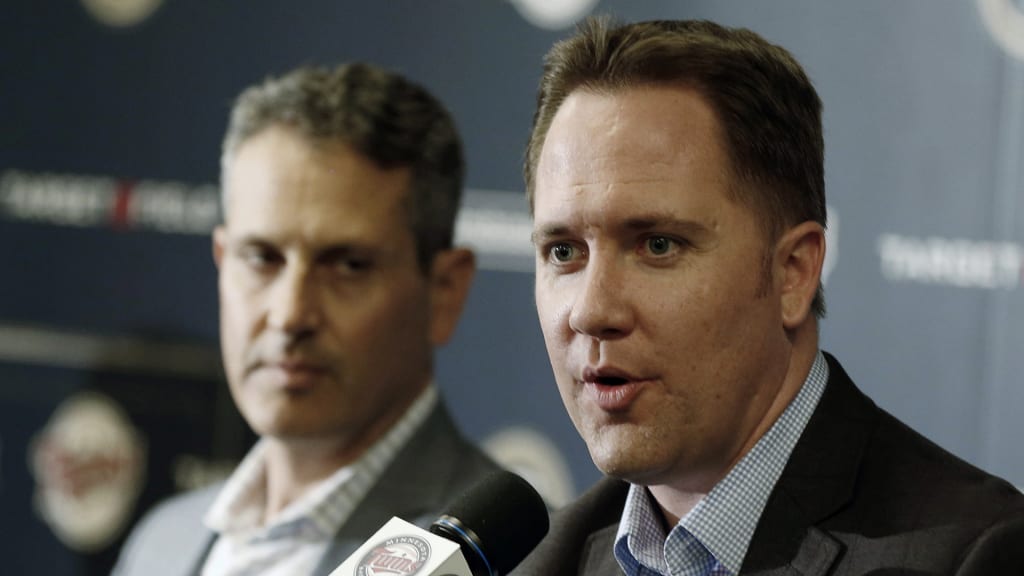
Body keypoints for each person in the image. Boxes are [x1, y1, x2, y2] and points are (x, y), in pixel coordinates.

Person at [514, 17, 1024, 575]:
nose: (592, 310)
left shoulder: (976, 557)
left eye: (657, 245)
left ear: (793, 273)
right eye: (563, 252)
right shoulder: (546, 559)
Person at [112, 62, 500, 576]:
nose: (290, 313)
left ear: (444, 291)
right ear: (223, 262)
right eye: (262, 258)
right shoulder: (162, 540)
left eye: (347, 265)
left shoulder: (503, 559)